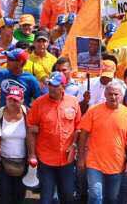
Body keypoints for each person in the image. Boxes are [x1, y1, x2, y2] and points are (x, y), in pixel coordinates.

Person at [77, 80, 127, 204]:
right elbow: (83, 135)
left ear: (121, 96)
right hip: (94, 163)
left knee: (111, 198)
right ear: (105, 94)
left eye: (116, 94)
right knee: (95, 196)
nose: (113, 97)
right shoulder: (93, 111)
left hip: (117, 164)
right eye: (110, 94)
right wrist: (81, 157)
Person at [26, 71, 80, 204]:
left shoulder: (73, 102)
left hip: (67, 160)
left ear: (63, 86)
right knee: (46, 198)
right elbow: (31, 130)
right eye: (50, 84)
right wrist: (32, 154)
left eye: (55, 85)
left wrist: (74, 145)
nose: (51, 88)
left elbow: (78, 127)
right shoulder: (39, 103)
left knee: (68, 197)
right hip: (46, 160)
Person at [0, 82, 30, 204]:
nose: (12, 102)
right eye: (10, 99)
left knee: (19, 195)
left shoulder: (28, 114)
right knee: (4, 195)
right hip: (2, 162)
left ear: (22, 100)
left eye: (16, 100)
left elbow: (33, 135)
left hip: (23, 162)